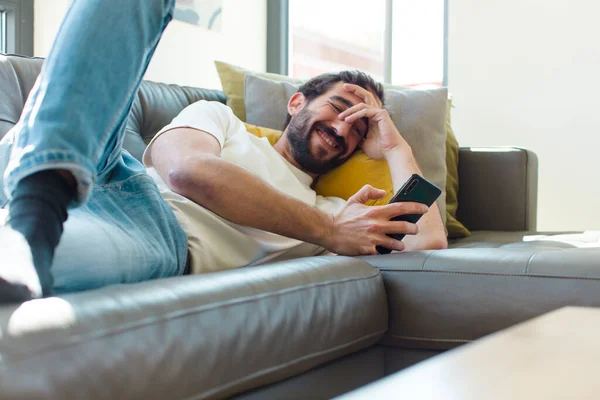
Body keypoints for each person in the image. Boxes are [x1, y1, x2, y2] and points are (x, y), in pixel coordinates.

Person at [0, 0, 447, 303]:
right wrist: (329, 230)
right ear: (296, 103)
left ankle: (30, 214)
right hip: (109, 169)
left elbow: (429, 240)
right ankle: (37, 199)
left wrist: (393, 144)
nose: (343, 129)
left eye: (360, 128)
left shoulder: (333, 209)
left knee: (27, 255)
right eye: (340, 107)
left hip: (160, 238)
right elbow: (186, 171)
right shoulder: (222, 121)